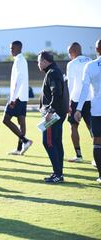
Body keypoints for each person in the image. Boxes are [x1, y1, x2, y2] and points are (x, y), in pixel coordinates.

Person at [38, 50, 69, 183]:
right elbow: (63, 91)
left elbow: (56, 93)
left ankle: (57, 174)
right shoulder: (56, 71)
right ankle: (58, 173)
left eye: (39, 61)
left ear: (45, 61)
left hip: (54, 114)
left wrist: (50, 111)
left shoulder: (52, 72)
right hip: (58, 113)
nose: (38, 64)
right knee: (56, 142)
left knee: (48, 142)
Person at [75, 39, 101, 183]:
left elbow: (85, 89)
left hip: (97, 110)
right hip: (96, 110)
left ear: (97, 50)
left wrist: (78, 109)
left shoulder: (90, 66)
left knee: (97, 142)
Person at [2, 41, 33, 155]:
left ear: (18, 48)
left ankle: (25, 141)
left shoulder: (19, 60)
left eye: (12, 48)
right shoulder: (21, 60)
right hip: (22, 96)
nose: (10, 50)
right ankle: (20, 148)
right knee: (21, 121)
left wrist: (13, 98)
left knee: (5, 120)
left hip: (18, 97)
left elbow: (19, 80)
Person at [66, 42, 92, 163]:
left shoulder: (71, 64)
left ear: (73, 52)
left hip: (76, 100)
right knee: (93, 128)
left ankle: (79, 155)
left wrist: (69, 102)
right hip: (91, 99)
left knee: (73, 127)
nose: (69, 55)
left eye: (69, 53)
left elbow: (70, 85)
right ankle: (97, 156)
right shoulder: (91, 61)